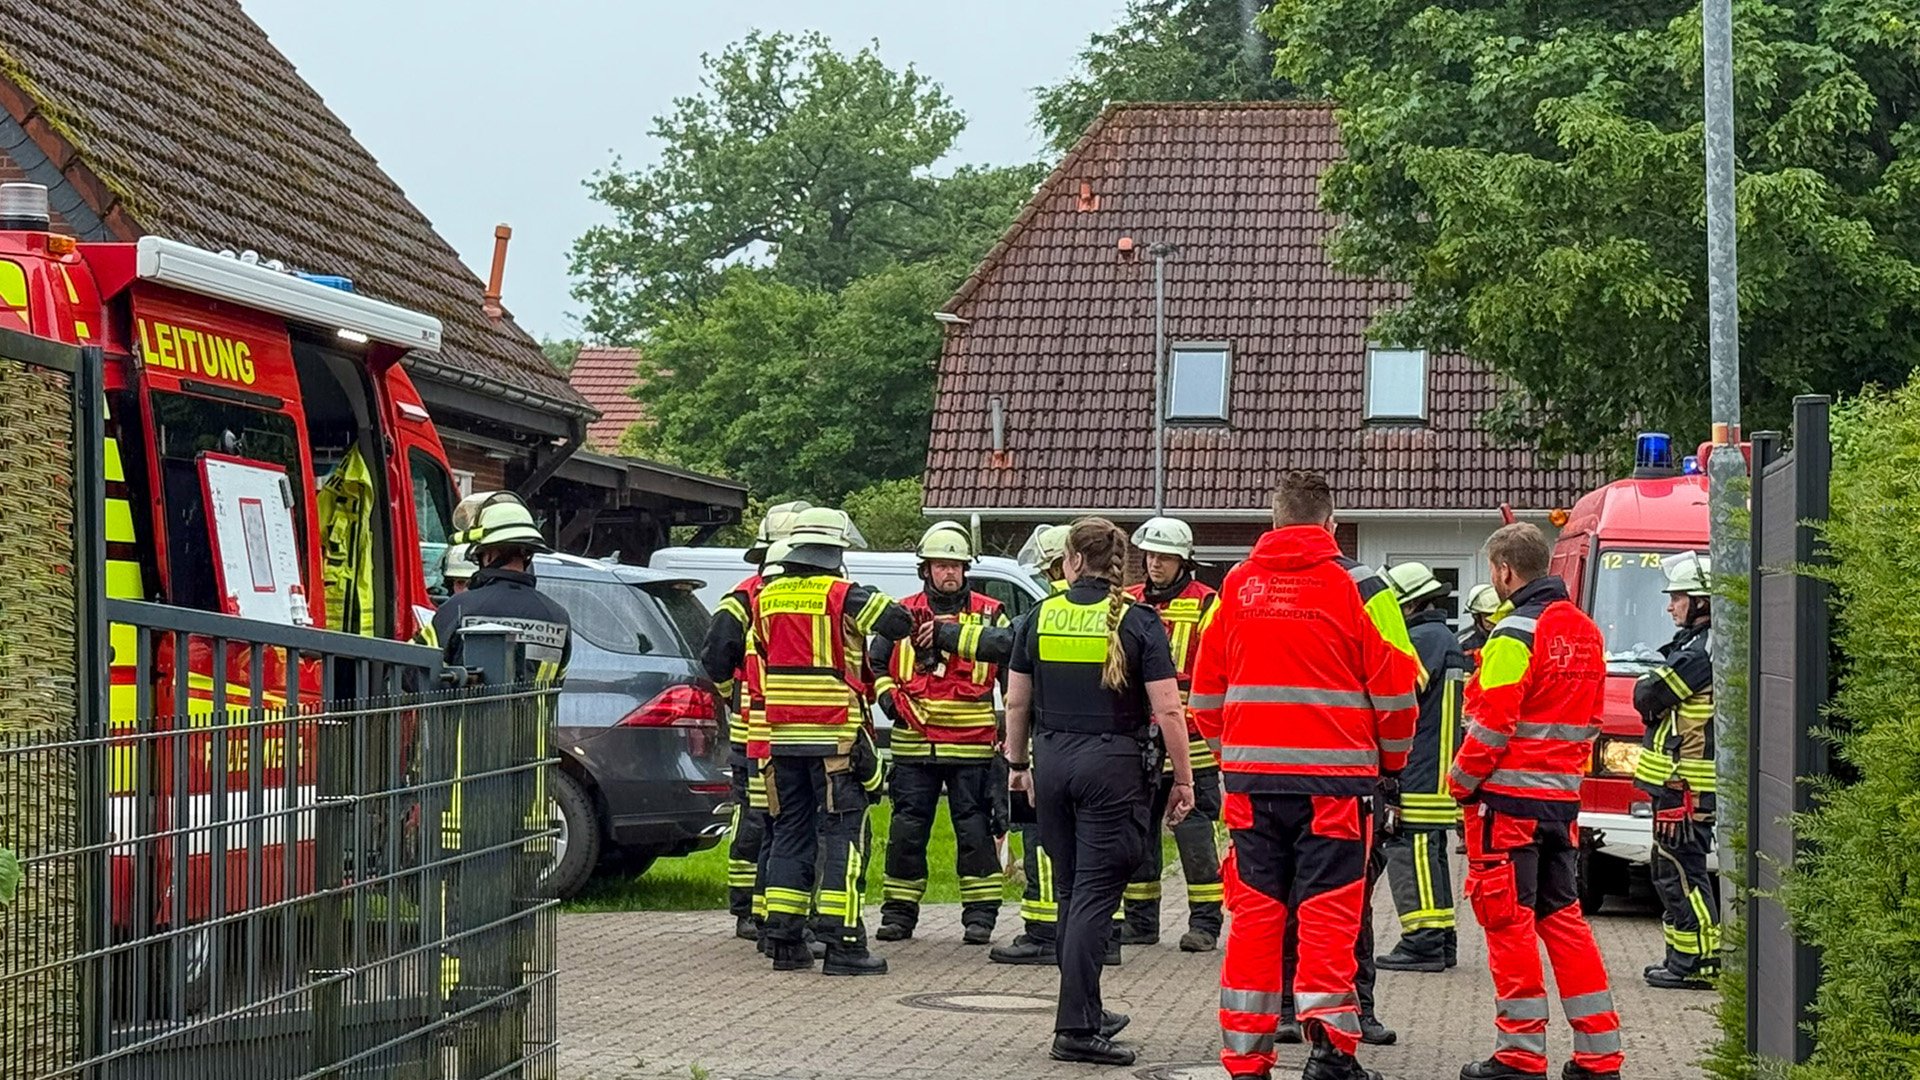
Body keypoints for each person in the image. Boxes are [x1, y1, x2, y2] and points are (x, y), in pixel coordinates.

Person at [1194, 471, 1418, 1080]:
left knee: (1256, 917)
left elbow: (1205, 697)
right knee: (1329, 917)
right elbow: (1398, 696)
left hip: (1252, 786)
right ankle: (1332, 1054)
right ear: (1331, 525)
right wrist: (1390, 766)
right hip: (1335, 787)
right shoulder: (1364, 587)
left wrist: (1235, 755)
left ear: (1273, 522)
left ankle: (1246, 1059)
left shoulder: (1235, 586)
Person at [1005, 518, 1194, 1065]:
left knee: (1071, 893)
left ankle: (1085, 1007)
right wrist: (1184, 779)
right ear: (1119, 565)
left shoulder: (1038, 615)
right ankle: (1075, 1029)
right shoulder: (1138, 620)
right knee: (1092, 898)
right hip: (1111, 767)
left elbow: (1016, 702)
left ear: (1070, 561)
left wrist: (1018, 764)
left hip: (1052, 763)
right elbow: (1168, 710)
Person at [702, 507, 912, 975]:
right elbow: (898, 623)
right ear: (836, 552)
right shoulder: (843, 595)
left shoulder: (764, 597)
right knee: (843, 836)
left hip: (779, 740)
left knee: (789, 833)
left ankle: (784, 941)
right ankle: (844, 945)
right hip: (835, 741)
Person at [1451, 523, 1623, 1080]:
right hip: (1560, 804)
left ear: (1505, 571)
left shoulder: (1513, 633)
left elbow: (1492, 721)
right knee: (1564, 920)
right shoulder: (1585, 631)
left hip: (1507, 807)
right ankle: (1599, 1057)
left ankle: (1520, 1055)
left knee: (1508, 923)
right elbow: (1591, 720)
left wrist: (1460, 781)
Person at [427, 492, 571, 1073]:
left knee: (457, 904)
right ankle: (510, 995)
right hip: (530, 788)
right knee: (516, 901)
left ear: (483, 553)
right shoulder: (557, 617)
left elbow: (422, 683)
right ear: (527, 554)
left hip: (463, 784)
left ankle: (454, 1004)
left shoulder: (457, 612)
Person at [871, 521, 1013, 944]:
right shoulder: (901, 613)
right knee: (907, 832)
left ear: (965, 569)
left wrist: (1011, 729)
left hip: (972, 746)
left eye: (955, 566)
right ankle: (898, 915)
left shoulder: (990, 613)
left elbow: (1010, 665)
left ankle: (980, 917)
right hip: (914, 744)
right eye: (940, 565)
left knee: (975, 831)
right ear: (926, 569)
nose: (949, 573)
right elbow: (874, 663)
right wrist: (887, 699)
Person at [1120, 516, 1225, 952]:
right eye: (1150, 556)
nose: (1155, 564)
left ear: (1184, 561)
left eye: (1165, 557)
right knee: (1138, 834)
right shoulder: (1126, 602)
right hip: (1138, 738)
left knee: (1195, 835)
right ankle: (1141, 922)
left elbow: (1221, 667)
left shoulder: (1208, 604)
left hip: (1192, 738)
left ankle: (1205, 923)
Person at [709, 500, 812, 940]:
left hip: (785, 731)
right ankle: (749, 910)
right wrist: (734, 695)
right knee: (758, 819)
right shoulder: (743, 599)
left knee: (780, 820)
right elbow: (716, 656)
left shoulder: (777, 596)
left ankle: (771, 911)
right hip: (756, 732)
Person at [1376, 562, 1470, 974]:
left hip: (1419, 766)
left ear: (1408, 604)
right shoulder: (1442, 637)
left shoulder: (1421, 640)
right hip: (1437, 765)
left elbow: (1398, 694)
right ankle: (1442, 937)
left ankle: (1422, 941)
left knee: (1410, 848)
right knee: (1430, 852)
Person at [992, 521, 1078, 966]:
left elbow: (1017, 693)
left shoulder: (1043, 614)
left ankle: (1044, 931)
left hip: (1050, 746)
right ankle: (1102, 934)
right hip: (1103, 750)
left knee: (1040, 835)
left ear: (1057, 566)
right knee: (1093, 841)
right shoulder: (1119, 612)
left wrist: (1017, 759)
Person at [1633, 552, 1719, 990]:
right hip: (1675, 785)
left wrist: (1648, 689)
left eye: (1678, 598)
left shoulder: (1699, 655)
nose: (1670, 606)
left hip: (1686, 789)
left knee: (1682, 873)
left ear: (1701, 602)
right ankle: (1681, 957)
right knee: (1669, 872)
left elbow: (1648, 696)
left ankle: (1700, 961)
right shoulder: (1694, 647)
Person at [1459, 584, 1501, 662]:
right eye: (1488, 615)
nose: (1493, 619)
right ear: (1476, 616)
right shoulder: (1463, 642)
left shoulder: (1508, 637)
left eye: (1497, 614)